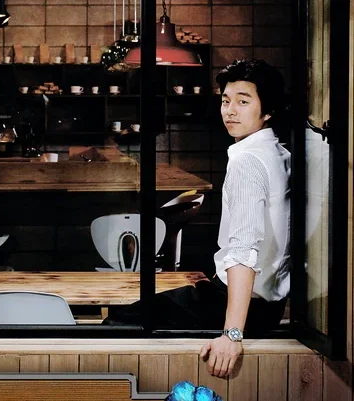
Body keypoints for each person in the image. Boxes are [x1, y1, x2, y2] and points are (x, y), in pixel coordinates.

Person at [103, 59, 291, 378]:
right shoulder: (279, 152)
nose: (230, 111)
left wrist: (232, 335)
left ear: (268, 110)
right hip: (268, 306)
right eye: (226, 101)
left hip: (239, 305)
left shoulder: (247, 162)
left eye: (243, 102)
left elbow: (244, 251)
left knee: (118, 324)